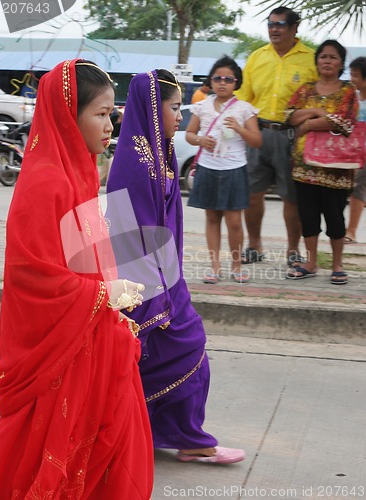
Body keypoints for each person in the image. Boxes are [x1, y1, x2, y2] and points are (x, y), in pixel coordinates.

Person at [0, 60, 154, 498]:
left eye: (112, 113)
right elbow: (33, 278)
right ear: (69, 115)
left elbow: (85, 256)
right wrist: (105, 294)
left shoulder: (80, 172)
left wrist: (112, 301)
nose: (110, 125)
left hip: (91, 334)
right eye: (100, 114)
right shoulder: (46, 184)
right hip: (60, 348)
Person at [107, 69, 246, 464]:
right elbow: (130, 233)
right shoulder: (135, 159)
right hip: (149, 282)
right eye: (172, 108)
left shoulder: (156, 151)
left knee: (174, 353)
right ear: (153, 109)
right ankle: (168, 435)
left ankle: (165, 433)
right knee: (181, 348)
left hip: (166, 275)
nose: (178, 118)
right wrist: (158, 294)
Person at [235, 6, 318, 267]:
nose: (274, 29)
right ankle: (254, 245)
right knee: (252, 194)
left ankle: (293, 250)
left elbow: (321, 96)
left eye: (280, 24)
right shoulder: (257, 57)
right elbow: (243, 99)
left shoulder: (311, 59)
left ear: (294, 28)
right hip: (259, 132)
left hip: (293, 136)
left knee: (292, 196)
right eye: (270, 24)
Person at [285, 40, 358, 285]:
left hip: (337, 168)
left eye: (333, 57)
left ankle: (337, 265)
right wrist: (319, 113)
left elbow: (344, 122)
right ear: (317, 61)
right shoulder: (305, 89)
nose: (327, 61)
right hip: (304, 166)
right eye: (323, 56)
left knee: (335, 217)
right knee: (308, 216)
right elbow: (290, 116)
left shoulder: (348, 92)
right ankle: (311, 262)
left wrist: (308, 122)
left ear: (341, 63)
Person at [186, 55, 261, 284]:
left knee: (235, 221)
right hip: (208, 168)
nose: (222, 82)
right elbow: (190, 134)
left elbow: (257, 141)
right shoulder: (202, 106)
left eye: (228, 79)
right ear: (211, 81)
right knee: (212, 218)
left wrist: (238, 128)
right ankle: (215, 267)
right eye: (217, 78)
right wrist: (201, 141)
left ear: (236, 82)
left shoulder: (244, 109)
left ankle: (237, 266)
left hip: (234, 169)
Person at [344, 56, 366, 244]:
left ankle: (351, 231)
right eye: (351, 74)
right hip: (350, 152)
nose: (352, 79)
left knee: (358, 188)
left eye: (356, 75)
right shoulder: (352, 99)